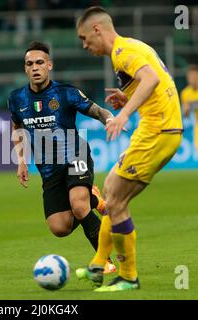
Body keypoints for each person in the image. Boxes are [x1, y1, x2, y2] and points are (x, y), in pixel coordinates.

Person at [76, 6, 183, 292]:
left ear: (98, 29)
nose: (85, 45)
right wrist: (128, 98)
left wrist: (123, 116)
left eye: (85, 38)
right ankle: (99, 265)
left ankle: (128, 276)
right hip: (161, 129)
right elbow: (152, 82)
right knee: (112, 194)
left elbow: (152, 78)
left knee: (115, 199)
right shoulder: (130, 47)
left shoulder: (122, 53)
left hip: (157, 131)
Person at [8, 41, 117, 273]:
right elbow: (16, 127)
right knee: (60, 228)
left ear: (49, 65)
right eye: (30, 64)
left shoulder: (66, 93)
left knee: (79, 206)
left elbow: (98, 110)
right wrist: (21, 161)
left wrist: (110, 120)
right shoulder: (16, 99)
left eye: (39, 62)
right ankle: (94, 199)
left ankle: (104, 261)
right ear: (25, 69)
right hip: (47, 167)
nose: (35, 67)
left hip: (74, 154)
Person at [180, 64, 198, 149]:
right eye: (190, 76)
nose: (193, 79)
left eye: (195, 76)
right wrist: (186, 109)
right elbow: (186, 115)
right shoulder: (185, 93)